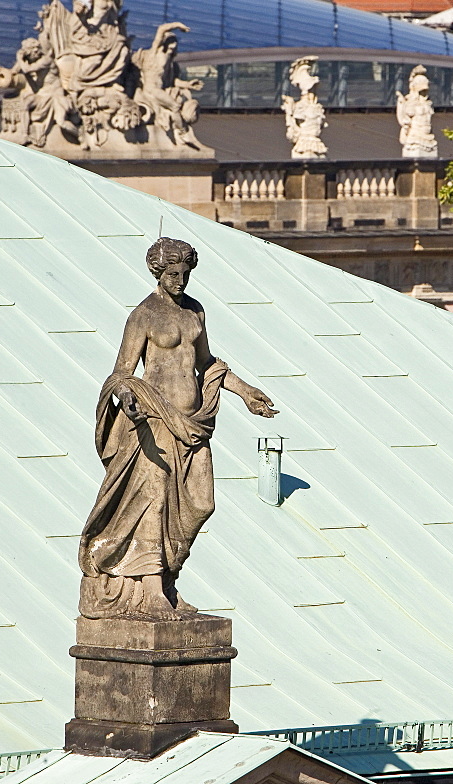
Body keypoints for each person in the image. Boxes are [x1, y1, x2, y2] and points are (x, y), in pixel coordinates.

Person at [78, 237, 277, 620]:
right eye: (173, 274)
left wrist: (245, 391)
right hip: (154, 423)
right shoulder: (144, 316)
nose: (180, 280)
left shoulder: (195, 312)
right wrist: (128, 398)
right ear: (158, 272)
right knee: (154, 501)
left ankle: (168, 579)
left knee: (201, 503)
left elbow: (208, 364)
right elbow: (121, 371)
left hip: (193, 423)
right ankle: (154, 589)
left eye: (185, 273)